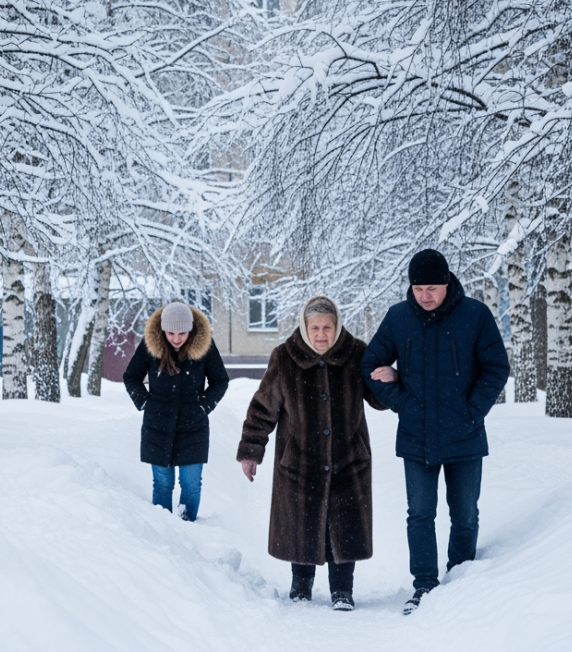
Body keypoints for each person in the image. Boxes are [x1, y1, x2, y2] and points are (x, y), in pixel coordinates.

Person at [360, 249, 510, 614]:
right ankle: (424, 584)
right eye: (418, 288)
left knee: (465, 514)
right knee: (420, 514)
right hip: (416, 434)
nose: (424, 295)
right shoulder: (398, 317)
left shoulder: (474, 315)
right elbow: (370, 364)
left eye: (432, 287)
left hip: (465, 434)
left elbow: (496, 368)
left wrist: (472, 411)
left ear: (447, 284)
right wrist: (401, 400)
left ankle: (460, 581)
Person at [237, 296, 385, 611]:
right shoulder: (285, 357)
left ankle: (342, 590)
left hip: (348, 460)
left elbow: (379, 398)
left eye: (327, 327)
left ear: (337, 326)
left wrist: (390, 378)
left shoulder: (356, 354)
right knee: (302, 523)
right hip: (299, 461)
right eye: (315, 327)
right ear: (305, 328)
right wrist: (252, 450)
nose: (321, 334)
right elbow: (264, 408)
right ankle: (301, 586)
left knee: (344, 527)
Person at [124, 302, 229, 522]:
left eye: (182, 332)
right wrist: (144, 403)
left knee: (191, 485)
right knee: (163, 484)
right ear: (163, 330)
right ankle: (165, 532)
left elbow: (220, 381)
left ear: (190, 329)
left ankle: (187, 528)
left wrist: (203, 406)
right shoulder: (150, 346)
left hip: (193, 426)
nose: (176, 338)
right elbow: (131, 377)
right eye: (170, 332)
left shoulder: (205, 347)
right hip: (157, 425)